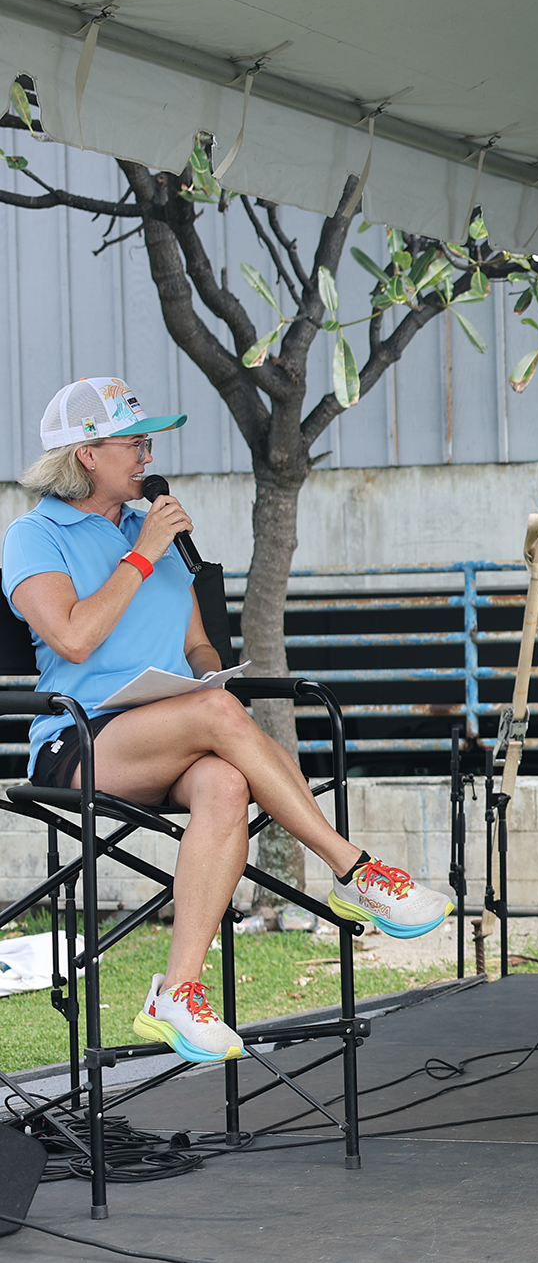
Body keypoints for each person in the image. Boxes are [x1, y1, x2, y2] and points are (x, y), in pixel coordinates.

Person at [3, 378, 452, 1064]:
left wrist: (206, 675)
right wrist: (141, 555)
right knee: (216, 714)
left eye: (148, 443)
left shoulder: (149, 530)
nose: (148, 455)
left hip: (173, 732)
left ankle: (177, 991)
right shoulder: (35, 535)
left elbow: (198, 646)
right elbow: (72, 638)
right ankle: (352, 869)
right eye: (134, 443)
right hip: (80, 739)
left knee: (226, 782)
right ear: (87, 454)